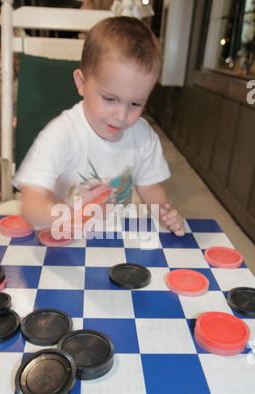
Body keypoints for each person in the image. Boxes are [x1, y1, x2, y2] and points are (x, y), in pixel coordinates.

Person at [13, 16, 185, 237]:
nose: (121, 115)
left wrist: (164, 213)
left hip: (114, 238)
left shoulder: (143, 137)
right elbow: (30, 207)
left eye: (135, 104)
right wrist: (70, 216)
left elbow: (149, 187)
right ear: (81, 83)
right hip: (62, 240)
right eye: (110, 99)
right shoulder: (61, 135)